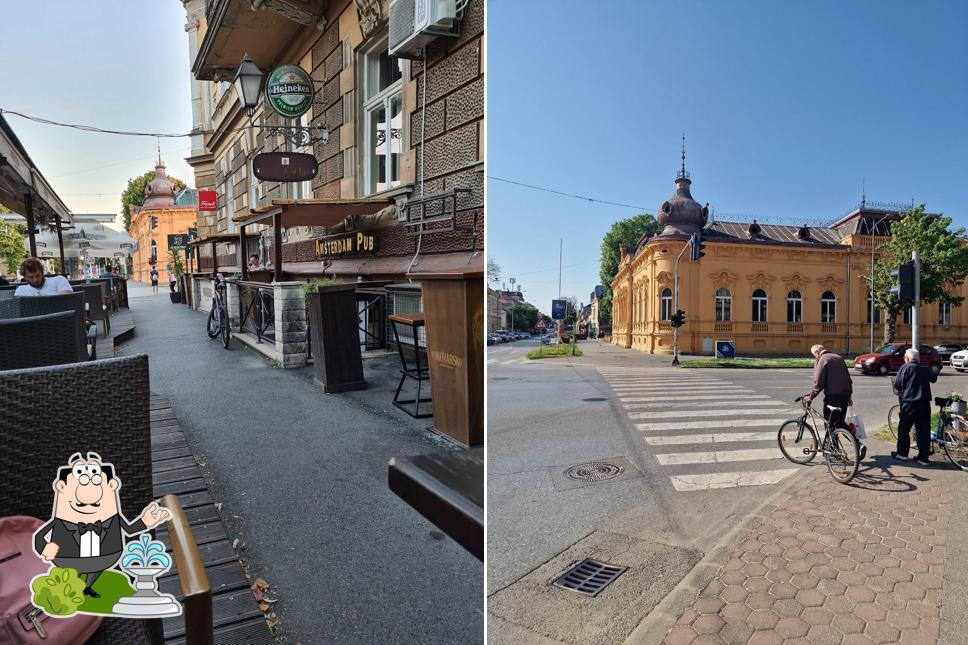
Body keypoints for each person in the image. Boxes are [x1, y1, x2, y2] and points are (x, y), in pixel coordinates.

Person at [804, 344, 868, 461]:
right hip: (844, 396)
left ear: (817, 352)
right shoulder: (838, 357)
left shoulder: (823, 359)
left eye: (815, 355)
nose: (815, 358)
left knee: (829, 424)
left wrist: (811, 396)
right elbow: (848, 379)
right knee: (839, 423)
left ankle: (834, 452)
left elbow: (818, 382)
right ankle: (858, 445)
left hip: (832, 398)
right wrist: (848, 396)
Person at [891, 347, 937, 465]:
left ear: (907, 358)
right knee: (923, 430)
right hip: (925, 404)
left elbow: (898, 384)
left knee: (904, 428)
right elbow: (934, 378)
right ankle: (923, 458)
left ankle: (902, 454)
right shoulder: (925, 368)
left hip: (910, 403)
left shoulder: (905, 368)